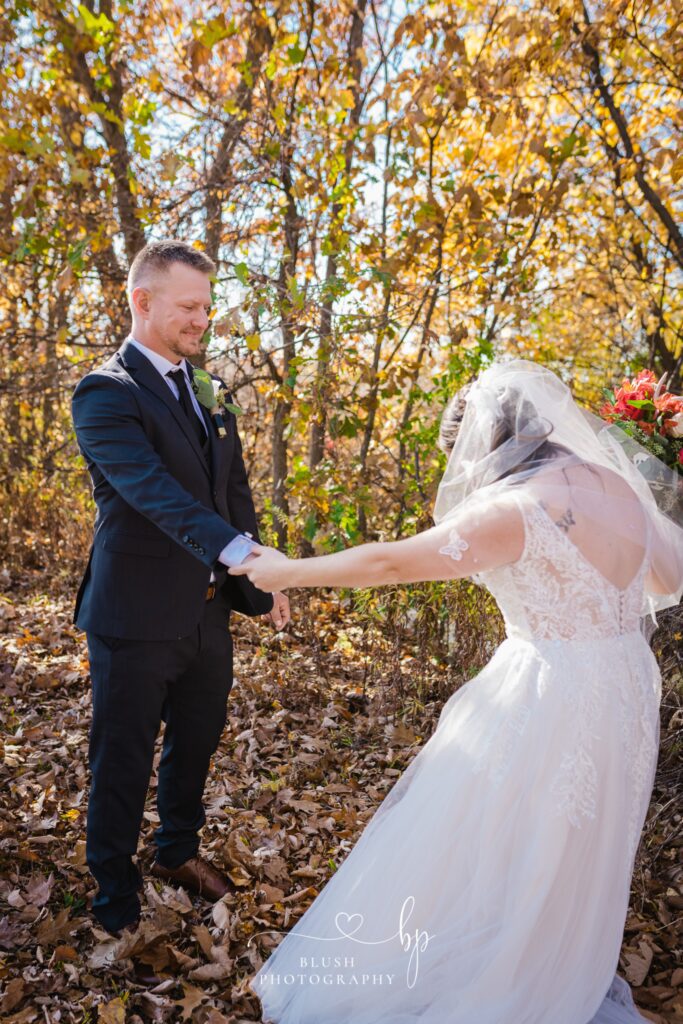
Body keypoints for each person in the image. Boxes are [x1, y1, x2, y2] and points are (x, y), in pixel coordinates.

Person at [230, 360, 683, 1024]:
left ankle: (505, 978)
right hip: (623, 682)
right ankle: (553, 963)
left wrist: (288, 571)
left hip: (551, 685)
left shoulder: (517, 508)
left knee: (496, 832)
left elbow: (390, 561)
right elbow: (666, 578)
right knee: (576, 841)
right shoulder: (614, 483)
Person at [71, 240, 290, 943]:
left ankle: (176, 852)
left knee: (195, 743)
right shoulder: (105, 393)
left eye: (206, 307)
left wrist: (257, 576)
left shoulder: (209, 389)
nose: (203, 319)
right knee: (123, 758)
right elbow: (152, 493)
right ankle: (114, 889)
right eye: (189, 306)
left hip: (208, 611)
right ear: (143, 301)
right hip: (133, 615)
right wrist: (240, 551)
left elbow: (232, 492)